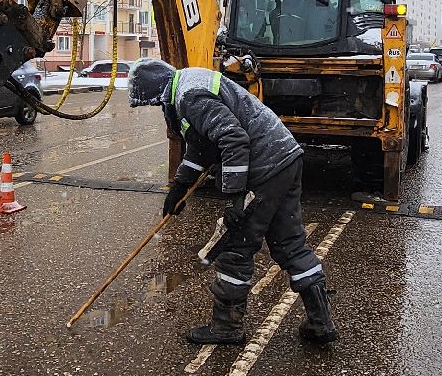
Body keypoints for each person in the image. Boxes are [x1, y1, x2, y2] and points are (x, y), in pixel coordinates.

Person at [128, 58, 337, 346]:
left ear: (159, 94)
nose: (158, 109)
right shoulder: (190, 84)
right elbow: (203, 146)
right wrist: (181, 185)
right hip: (285, 157)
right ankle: (320, 321)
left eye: (153, 104)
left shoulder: (189, 97)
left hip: (263, 166)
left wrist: (235, 199)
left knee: (234, 246)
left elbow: (234, 140)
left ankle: (227, 326)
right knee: (289, 243)